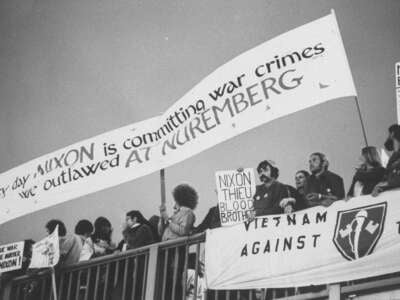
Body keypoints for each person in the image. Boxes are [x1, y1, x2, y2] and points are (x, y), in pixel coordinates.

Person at [373, 125, 400, 196]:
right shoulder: (393, 157)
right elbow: (387, 175)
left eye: (388, 134)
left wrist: (384, 184)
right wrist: (381, 188)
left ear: (392, 134)